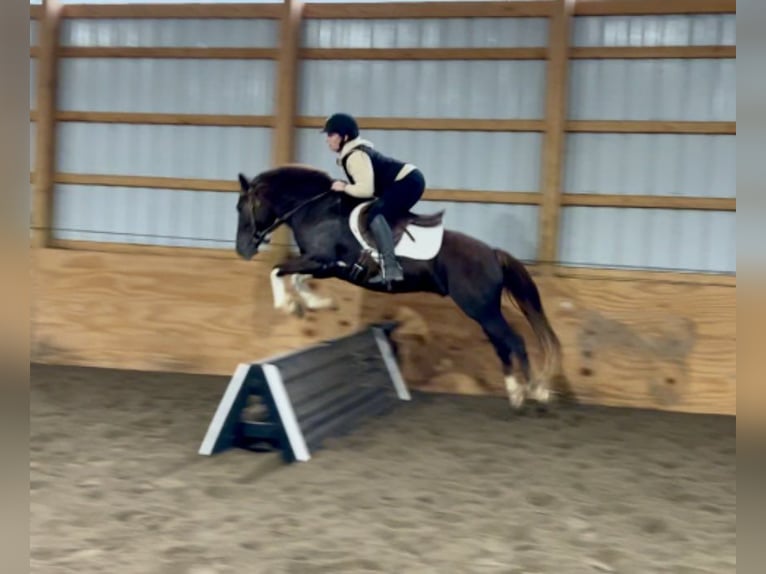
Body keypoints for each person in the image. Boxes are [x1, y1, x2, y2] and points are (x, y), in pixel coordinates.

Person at [321, 112, 426, 287]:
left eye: (331, 134)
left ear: (345, 137)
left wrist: (344, 187)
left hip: (408, 182)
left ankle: (391, 268)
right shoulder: (352, 154)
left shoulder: (355, 156)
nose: (327, 139)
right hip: (408, 181)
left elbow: (365, 189)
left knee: (376, 215)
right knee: (374, 211)